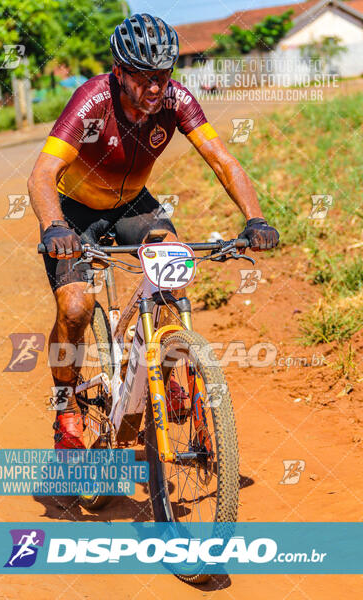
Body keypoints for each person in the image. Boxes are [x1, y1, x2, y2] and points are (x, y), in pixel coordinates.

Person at [28, 13, 279, 450]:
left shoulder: (176, 100)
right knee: (75, 307)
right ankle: (66, 406)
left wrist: (255, 218)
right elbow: (42, 173)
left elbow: (222, 160)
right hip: (74, 212)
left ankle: (166, 372)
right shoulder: (92, 99)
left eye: (163, 76)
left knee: (174, 276)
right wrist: (53, 226)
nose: (156, 88)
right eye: (144, 77)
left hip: (133, 204)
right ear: (119, 72)